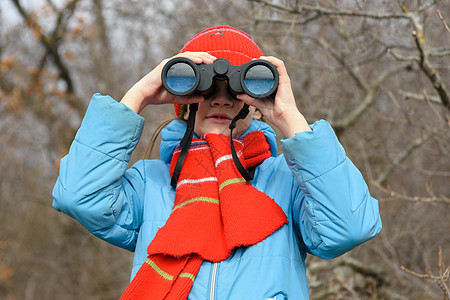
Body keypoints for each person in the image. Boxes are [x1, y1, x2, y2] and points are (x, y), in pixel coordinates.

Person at [52, 25, 382, 299]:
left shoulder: (287, 182)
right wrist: (139, 95)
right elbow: (78, 196)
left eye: (237, 89)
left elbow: (349, 226)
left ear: (255, 99)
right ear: (183, 97)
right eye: (205, 86)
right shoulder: (151, 183)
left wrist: (289, 117)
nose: (221, 99)